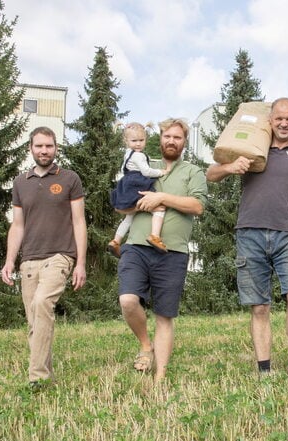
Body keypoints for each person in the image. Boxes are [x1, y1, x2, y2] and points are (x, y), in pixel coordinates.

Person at [205, 98, 288, 386]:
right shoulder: (252, 146)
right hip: (250, 233)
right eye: (278, 118)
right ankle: (264, 371)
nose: (283, 123)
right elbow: (210, 174)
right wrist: (231, 167)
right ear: (270, 119)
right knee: (259, 306)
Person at [116, 118, 207, 382]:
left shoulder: (192, 171)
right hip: (136, 247)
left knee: (164, 315)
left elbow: (198, 206)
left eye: (177, 137)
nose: (171, 141)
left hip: (173, 252)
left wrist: (162, 198)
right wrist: (142, 203)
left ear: (184, 142)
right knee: (128, 300)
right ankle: (146, 345)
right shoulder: (144, 165)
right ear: (160, 138)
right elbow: (121, 205)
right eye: (167, 136)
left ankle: (160, 376)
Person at [0, 126, 87, 389]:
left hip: (60, 255)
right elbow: (17, 225)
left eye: (49, 146)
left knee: (41, 304)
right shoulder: (20, 182)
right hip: (29, 259)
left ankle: (36, 377)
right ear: (31, 148)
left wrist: (80, 263)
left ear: (56, 148)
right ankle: (46, 377)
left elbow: (79, 222)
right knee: (34, 321)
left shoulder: (70, 179)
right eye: (39, 146)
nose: (44, 151)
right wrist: (9, 260)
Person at [108, 122, 171, 257]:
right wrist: (161, 172)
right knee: (160, 208)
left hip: (127, 184)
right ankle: (155, 236)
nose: (138, 144)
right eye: (134, 141)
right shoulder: (139, 155)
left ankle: (116, 240)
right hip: (137, 184)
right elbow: (147, 171)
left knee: (129, 217)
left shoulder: (128, 154)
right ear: (126, 141)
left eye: (141, 140)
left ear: (146, 139)